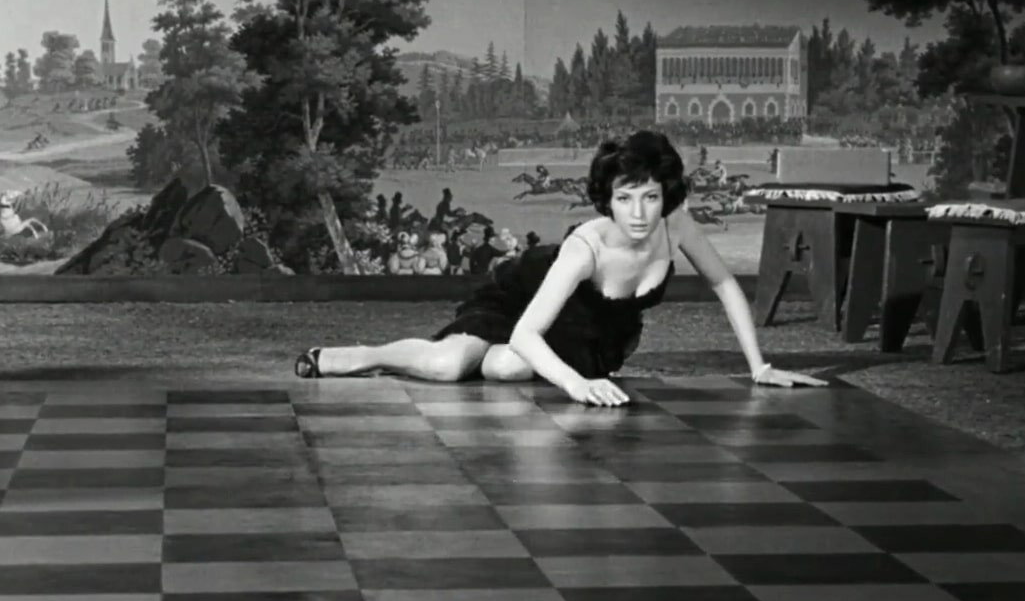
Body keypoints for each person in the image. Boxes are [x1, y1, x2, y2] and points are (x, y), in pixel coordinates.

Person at [294, 130, 826, 405]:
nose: (639, 213)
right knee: (450, 364)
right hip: (524, 302)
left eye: (649, 197)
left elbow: (725, 284)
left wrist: (759, 366)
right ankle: (365, 356)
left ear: (664, 195)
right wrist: (575, 387)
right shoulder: (585, 247)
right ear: (606, 200)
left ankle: (465, 360)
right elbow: (526, 331)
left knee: (506, 369)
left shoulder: (676, 224)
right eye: (625, 199)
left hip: (594, 335)